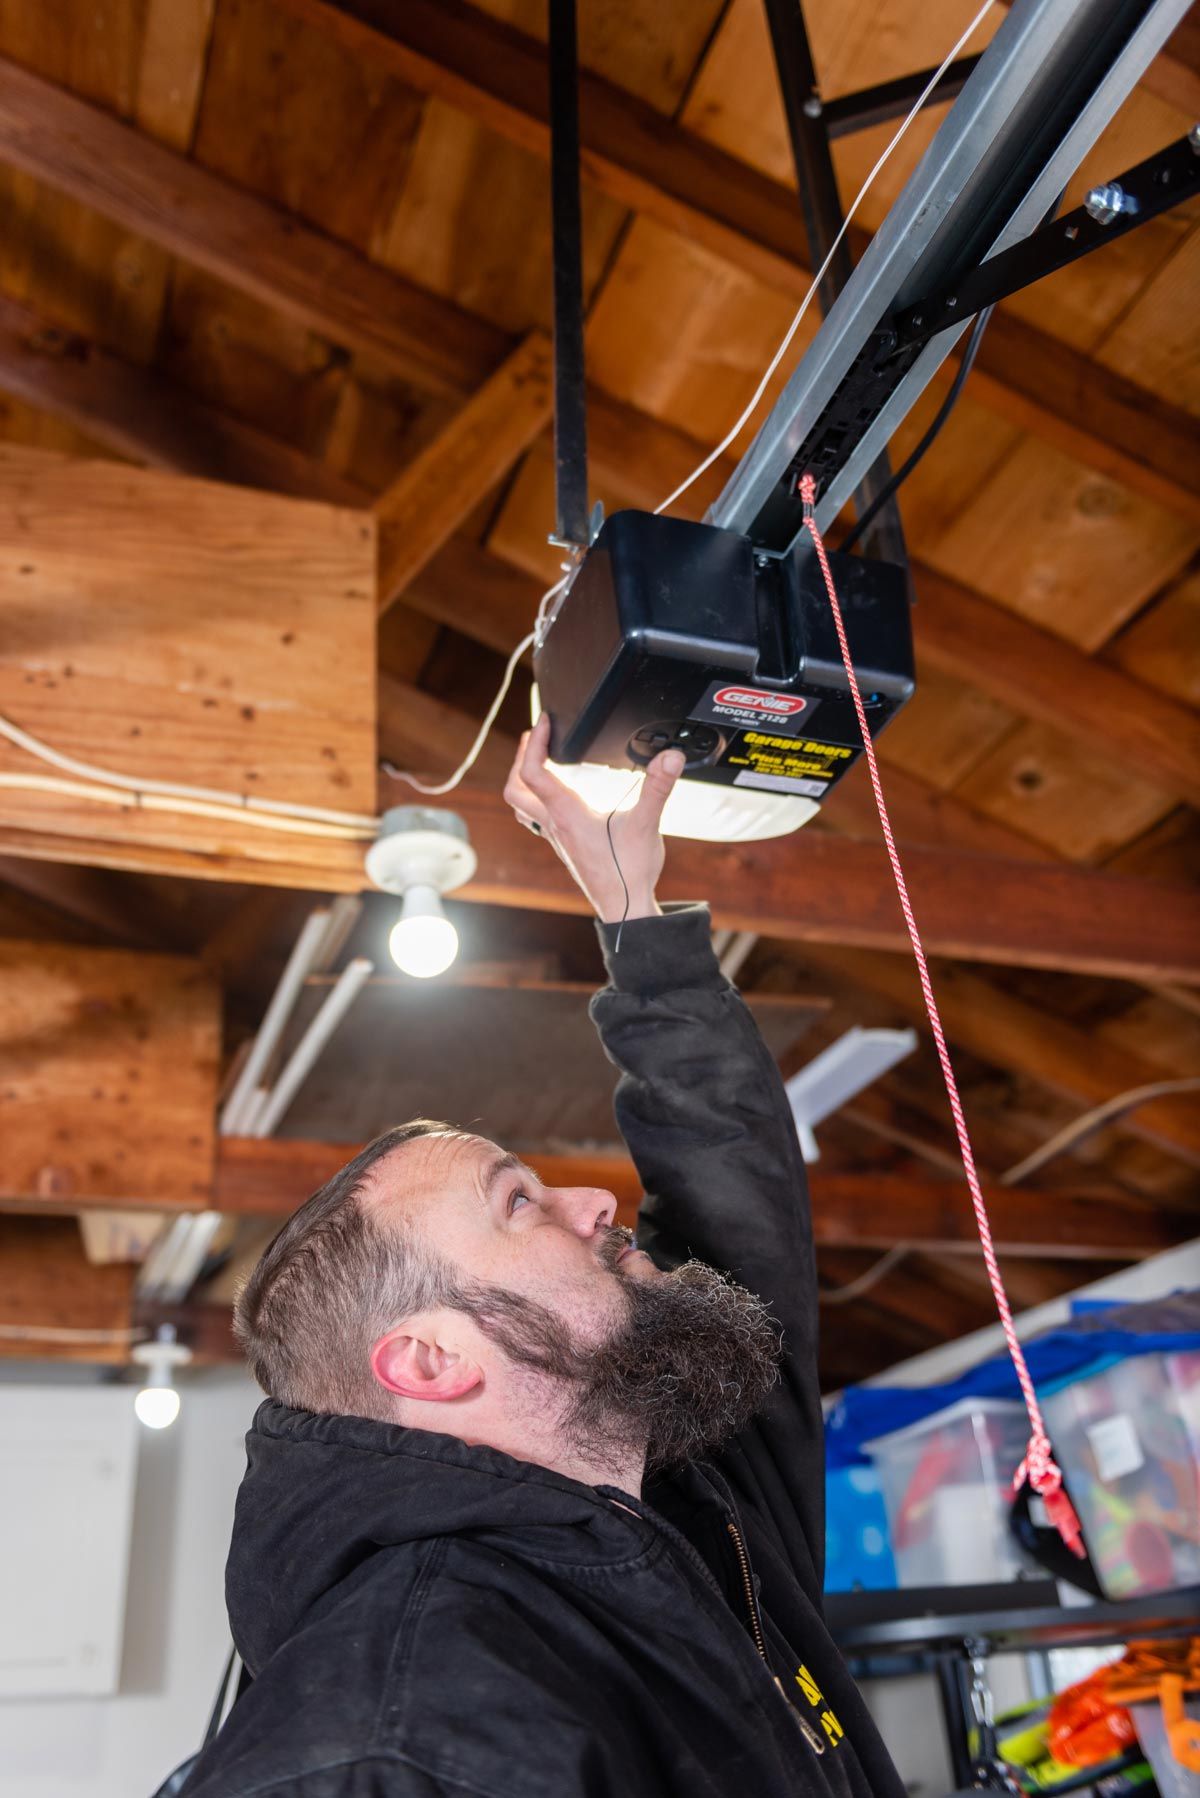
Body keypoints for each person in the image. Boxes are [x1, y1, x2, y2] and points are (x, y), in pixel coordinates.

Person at [178, 715, 906, 1798]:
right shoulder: (400, 1720)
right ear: (430, 1362)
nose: (594, 1201)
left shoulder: (679, 1484)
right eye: (519, 1202)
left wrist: (636, 922)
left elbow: (734, 1223)